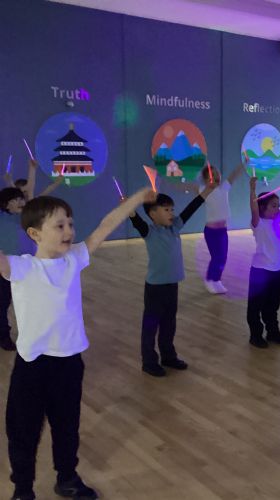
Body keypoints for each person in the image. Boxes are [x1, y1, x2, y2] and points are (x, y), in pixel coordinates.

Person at [0, 187, 155, 500]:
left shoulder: (74, 258)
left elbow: (105, 226)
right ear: (34, 234)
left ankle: (67, 478)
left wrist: (138, 199)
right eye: (59, 225)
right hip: (33, 366)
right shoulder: (22, 267)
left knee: (67, 426)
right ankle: (23, 488)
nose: (69, 231)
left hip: (69, 362)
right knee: (23, 430)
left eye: (70, 223)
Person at [129, 182, 216, 377]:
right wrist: (130, 208)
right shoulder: (150, 232)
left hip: (172, 286)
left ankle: (168, 356)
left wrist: (207, 192)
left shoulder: (175, 227)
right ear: (153, 214)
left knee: (169, 323)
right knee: (151, 325)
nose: (171, 213)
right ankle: (149, 362)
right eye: (166, 210)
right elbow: (136, 221)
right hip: (155, 289)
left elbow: (191, 209)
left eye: (172, 209)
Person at [247, 175, 280, 348]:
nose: (277, 208)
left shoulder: (278, 220)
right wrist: (252, 190)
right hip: (260, 271)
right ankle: (255, 335)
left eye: (277, 205)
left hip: (276, 270)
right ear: (262, 207)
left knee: (273, 304)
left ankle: (273, 332)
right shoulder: (258, 223)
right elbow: (253, 208)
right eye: (273, 205)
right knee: (256, 305)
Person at [198, 162, 245, 294]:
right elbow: (191, 186)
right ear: (206, 180)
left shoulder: (224, 188)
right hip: (211, 232)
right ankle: (209, 280)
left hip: (222, 231)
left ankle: (217, 280)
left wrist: (243, 164)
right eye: (212, 175)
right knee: (216, 257)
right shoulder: (204, 191)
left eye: (217, 174)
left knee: (223, 257)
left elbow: (234, 175)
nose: (216, 177)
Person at [0, 187, 26, 351]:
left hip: (18, 267)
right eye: (16, 199)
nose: (20, 202)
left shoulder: (20, 219)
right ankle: (3, 336)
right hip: (3, 268)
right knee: (2, 303)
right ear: (6, 204)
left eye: (21, 198)